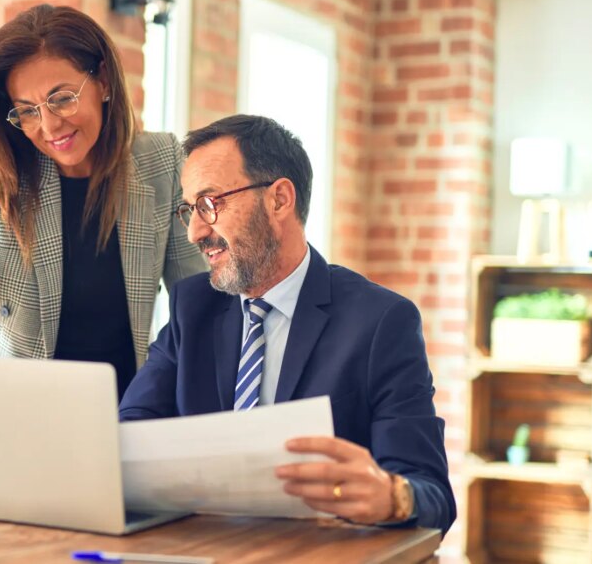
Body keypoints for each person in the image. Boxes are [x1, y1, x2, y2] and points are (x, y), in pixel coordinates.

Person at [0, 5, 207, 477]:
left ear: (102, 81)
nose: (48, 126)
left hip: (125, 424)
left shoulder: (163, 163)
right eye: (26, 111)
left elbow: (200, 305)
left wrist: (216, 422)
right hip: (9, 424)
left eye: (61, 98)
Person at [118, 114, 456, 534]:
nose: (194, 233)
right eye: (189, 210)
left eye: (209, 204)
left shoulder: (381, 323)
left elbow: (433, 496)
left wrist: (392, 495)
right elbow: (129, 436)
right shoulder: (193, 308)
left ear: (279, 199)